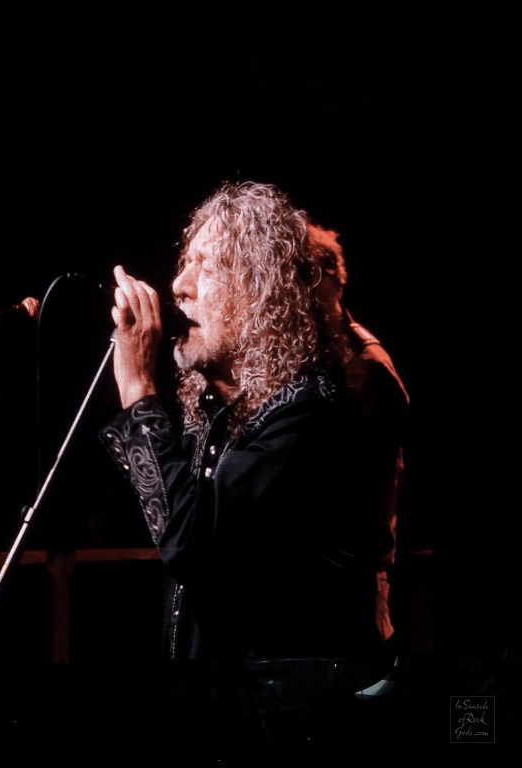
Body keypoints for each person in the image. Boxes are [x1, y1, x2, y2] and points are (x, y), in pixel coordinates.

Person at [100, 181, 387, 741]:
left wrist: (137, 388)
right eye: (185, 264)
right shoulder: (225, 409)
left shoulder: (309, 414)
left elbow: (189, 539)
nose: (177, 287)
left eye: (203, 267)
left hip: (287, 721)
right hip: (225, 709)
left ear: (259, 292)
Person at [307, 221, 410, 650]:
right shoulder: (316, 356)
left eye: (301, 273)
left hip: (351, 582)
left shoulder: (366, 365)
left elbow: (358, 485)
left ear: (328, 274)